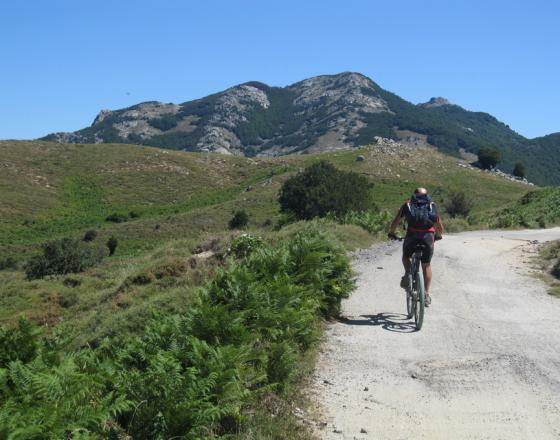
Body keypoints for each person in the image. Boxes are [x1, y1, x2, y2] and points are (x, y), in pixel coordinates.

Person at [388, 187, 444, 306]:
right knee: (426, 264)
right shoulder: (431, 204)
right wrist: (438, 235)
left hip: (412, 235)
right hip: (428, 237)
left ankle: (408, 273)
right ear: (426, 195)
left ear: (414, 194)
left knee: (405, 257)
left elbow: (397, 220)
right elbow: (439, 224)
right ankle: (426, 294)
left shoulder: (408, 204)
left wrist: (392, 233)